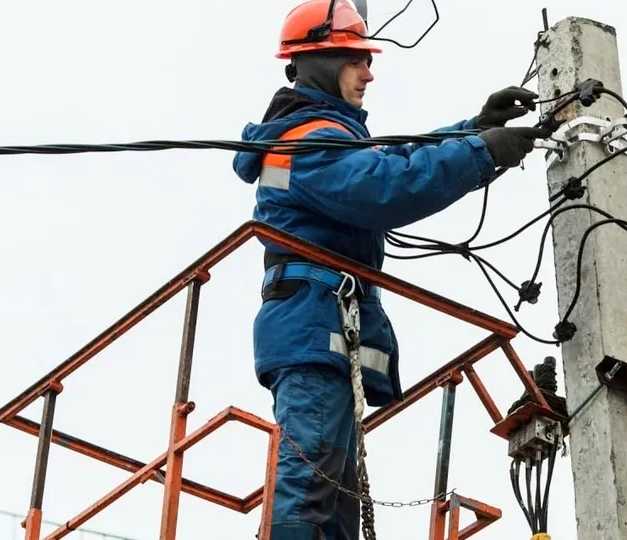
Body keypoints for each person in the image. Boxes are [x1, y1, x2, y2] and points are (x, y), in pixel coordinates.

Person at [232, 1, 542, 538]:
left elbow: (387, 161)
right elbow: (383, 186)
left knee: (335, 504)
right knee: (311, 494)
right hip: (312, 330)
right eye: (356, 60)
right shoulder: (302, 145)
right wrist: (481, 152)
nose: (369, 73)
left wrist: (477, 128)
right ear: (321, 62)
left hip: (323, 329)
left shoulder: (323, 138)